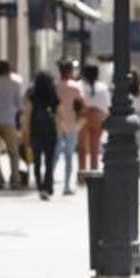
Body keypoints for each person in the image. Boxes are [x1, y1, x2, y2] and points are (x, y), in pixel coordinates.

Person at [0, 59, 24, 189]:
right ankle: (15, 179)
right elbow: (19, 105)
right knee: (13, 152)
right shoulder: (15, 84)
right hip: (9, 120)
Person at [24, 71, 59, 201]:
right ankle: (48, 185)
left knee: (37, 161)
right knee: (49, 161)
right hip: (50, 130)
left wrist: (25, 131)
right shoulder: (53, 94)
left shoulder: (32, 94)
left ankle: (40, 186)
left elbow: (26, 113)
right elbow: (58, 114)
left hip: (36, 129)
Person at [54, 61, 85, 195]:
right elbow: (83, 104)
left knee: (54, 153)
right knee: (69, 155)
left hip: (57, 122)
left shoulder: (55, 86)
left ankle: (48, 179)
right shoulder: (75, 87)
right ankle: (66, 185)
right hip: (71, 122)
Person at [77, 64, 110, 178]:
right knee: (94, 148)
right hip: (98, 117)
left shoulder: (79, 85)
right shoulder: (102, 87)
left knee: (82, 149)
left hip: (83, 118)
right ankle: (94, 173)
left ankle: (81, 174)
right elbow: (106, 106)